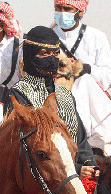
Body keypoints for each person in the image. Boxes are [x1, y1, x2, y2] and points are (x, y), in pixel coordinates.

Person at [7, 26, 96, 177]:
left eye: (55, 53)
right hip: (42, 178)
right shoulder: (19, 92)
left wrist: (89, 164)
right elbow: (24, 147)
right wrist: (75, 168)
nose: (52, 59)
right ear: (30, 56)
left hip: (76, 174)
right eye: (44, 53)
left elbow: (80, 138)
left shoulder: (64, 94)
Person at [52, 0, 111, 95]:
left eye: (67, 9)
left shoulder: (97, 37)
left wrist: (88, 69)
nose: (62, 12)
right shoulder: (47, 37)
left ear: (79, 12)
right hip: (54, 99)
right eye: (58, 8)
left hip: (88, 101)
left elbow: (108, 75)